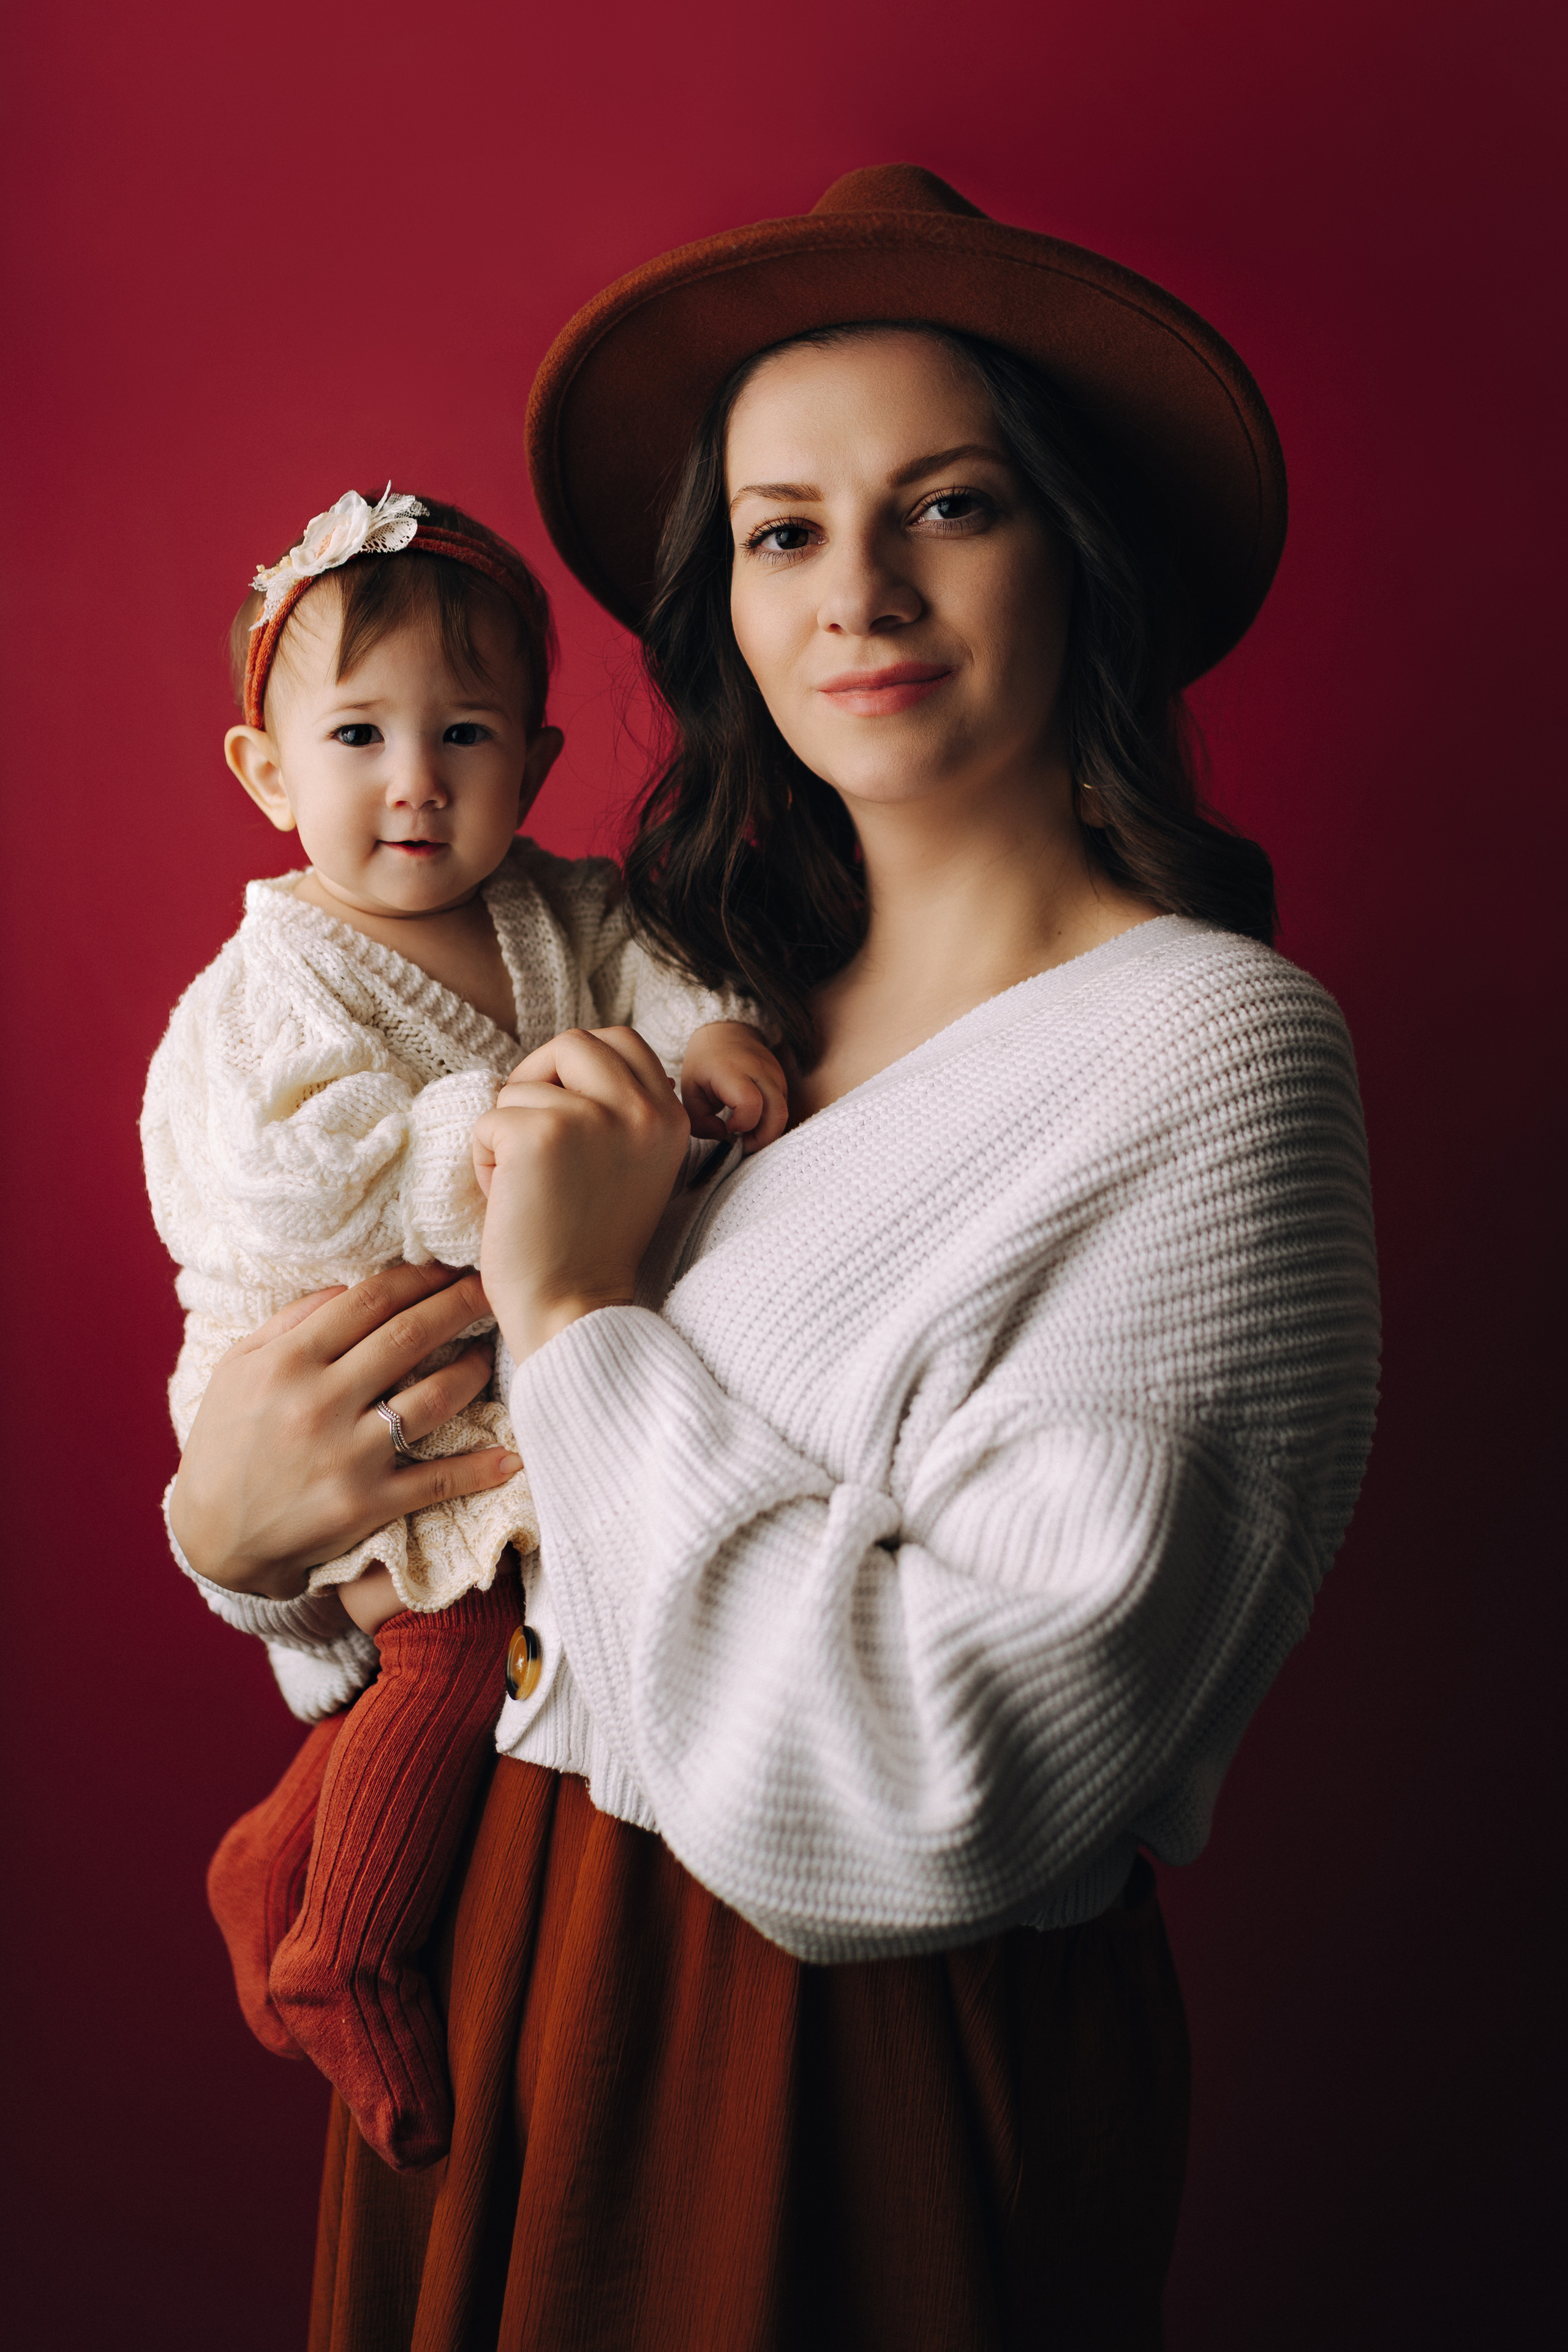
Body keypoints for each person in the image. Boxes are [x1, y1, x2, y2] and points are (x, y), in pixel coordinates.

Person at [168, 167, 1379, 2348]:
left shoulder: (1204, 1057)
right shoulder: (714, 1008)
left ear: (1077, 555)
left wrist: (573, 1307)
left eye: (952, 507)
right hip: (495, 1995)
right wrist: (247, 1536)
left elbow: (931, 1794)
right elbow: (512, 1588)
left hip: (818, 2080)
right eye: (783, 531)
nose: (861, 594)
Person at [143, 487, 784, 2168]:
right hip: (346, 1368)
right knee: (443, 1648)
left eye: (466, 733)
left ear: (538, 758)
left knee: (505, 1618)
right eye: (356, 733)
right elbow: (280, 1190)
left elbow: (657, 983)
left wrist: (707, 1044)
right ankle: (342, 1942)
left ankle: (276, 1851)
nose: (414, 779)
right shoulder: (262, 992)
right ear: (266, 774)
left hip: (499, 1349)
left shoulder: (562, 913)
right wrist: (489, 1142)